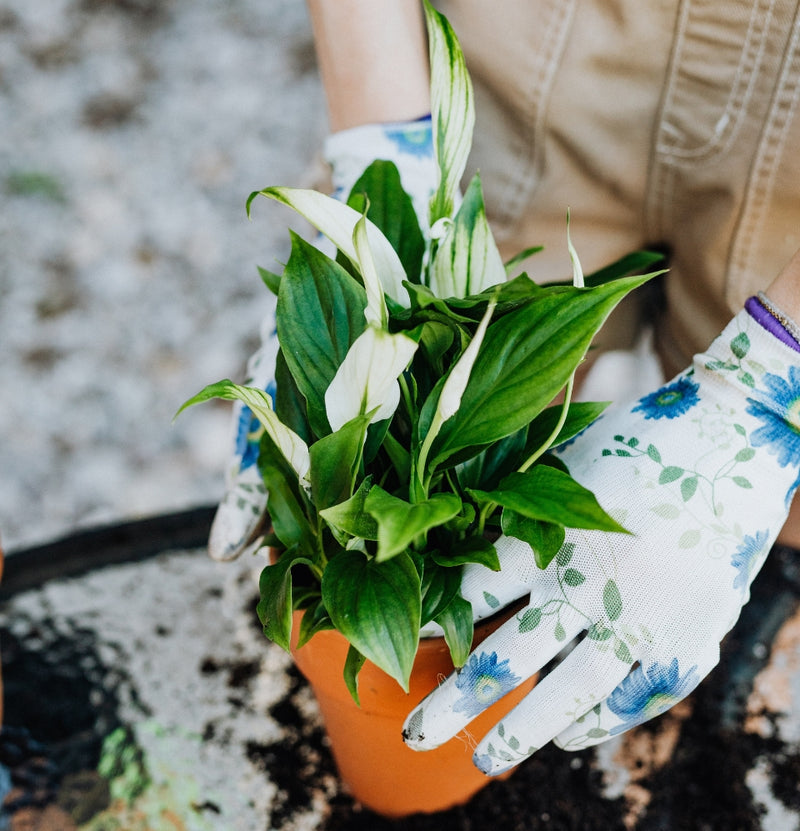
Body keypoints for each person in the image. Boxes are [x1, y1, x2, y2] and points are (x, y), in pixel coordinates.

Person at [210, 0, 800, 775]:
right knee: (496, 404)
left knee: (772, 484)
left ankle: (763, 594)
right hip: (544, 42)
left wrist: (763, 388)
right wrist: (383, 155)